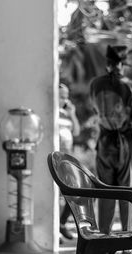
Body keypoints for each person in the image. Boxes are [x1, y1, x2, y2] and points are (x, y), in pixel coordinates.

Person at [89, 45, 132, 254]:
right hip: (125, 144)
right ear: (123, 64)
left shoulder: (95, 84)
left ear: (107, 63)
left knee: (105, 193)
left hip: (104, 143)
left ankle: (103, 244)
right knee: (128, 195)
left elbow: (96, 111)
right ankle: (127, 247)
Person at [59, 83, 80, 241]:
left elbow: (77, 131)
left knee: (74, 190)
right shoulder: (53, 111)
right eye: (61, 96)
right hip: (56, 157)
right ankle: (56, 227)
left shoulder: (67, 113)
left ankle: (62, 222)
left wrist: (72, 113)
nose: (64, 99)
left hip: (67, 157)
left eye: (66, 96)